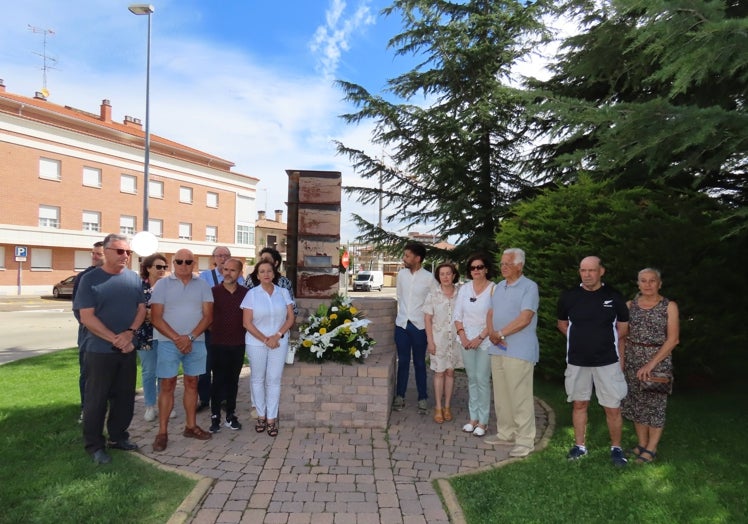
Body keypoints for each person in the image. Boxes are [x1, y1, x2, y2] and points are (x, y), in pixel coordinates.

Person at [74, 233, 145, 464]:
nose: (125, 256)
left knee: (124, 397)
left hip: (127, 348)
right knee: (97, 399)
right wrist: (115, 338)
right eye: (120, 251)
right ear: (105, 252)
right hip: (99, 350)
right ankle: (94, 445)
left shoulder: (133, 279)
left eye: (128, 252)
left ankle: (118, 437)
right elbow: (87, 317)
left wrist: (130, 333)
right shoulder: (89, 279)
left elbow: (141, 309)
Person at [557, 256, 630, 467]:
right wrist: (581, 341)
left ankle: (616, 448)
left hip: (607, 361)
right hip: (577, 362)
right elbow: (562, 325)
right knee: (579, 404)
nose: (587, 274)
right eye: (583, 270)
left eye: (591, 270)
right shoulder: (569, 297)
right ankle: (580, 446)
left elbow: (622, 330)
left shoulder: (614, 297)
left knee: (613, 407)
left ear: (601, 271)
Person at [150, 249, 214, 452]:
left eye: (188, 262)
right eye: (179, 261)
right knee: (167, 384)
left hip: (196, 341)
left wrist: (191, 337)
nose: (184, 265)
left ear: (194, 264)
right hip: (169, 342)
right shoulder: (162, 284)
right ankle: (162, 432)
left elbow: (208, 316)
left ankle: (191, 426)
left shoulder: (203, 285)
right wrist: (178, 338)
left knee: (192, 383)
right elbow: (156, 317)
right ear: (173, 263)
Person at [621, 268, 679, 463]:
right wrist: (622, 360)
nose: (647, 284)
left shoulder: (669, 306)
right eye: (643, 281)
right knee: (637, 404)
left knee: (655, 406)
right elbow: (622, 335)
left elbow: (673, 340)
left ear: (659, 283)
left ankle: (651, 449)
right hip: (632, 360)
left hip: (658, 360)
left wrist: (650, 365)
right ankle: (642, 444)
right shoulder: (630, 305)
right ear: (638, 284)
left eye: (652, 281)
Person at [485, 248, 539, 457]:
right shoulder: (499, 286)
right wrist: (491, 332)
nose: (503, 267)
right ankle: (506, 433)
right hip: (497, 348)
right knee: (501, 395)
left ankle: (525, 441)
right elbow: (490, 312)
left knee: (520, 396)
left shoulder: (529, 287)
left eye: (508, 263)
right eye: (502, 263)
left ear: (520, 265)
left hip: (519, 350)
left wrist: (500, 333)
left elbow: (525, 318)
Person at [241, 260, 295, 437]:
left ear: (274, 273)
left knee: (273, 379)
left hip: (279, 342)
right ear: (257, 275)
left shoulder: (283, 292)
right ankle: (261, 416)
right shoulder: (251, 294)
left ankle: (271, 419)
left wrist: (277, 336)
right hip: (256, 343)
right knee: (257, 379)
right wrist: (265, 339)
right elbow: (247, 323)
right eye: (262, 271)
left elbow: (290, 319)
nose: (266, 274)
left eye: (269, 271)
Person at [197, 246, 244, 412]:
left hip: (232, 334)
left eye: (226, 255)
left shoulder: (240, 280)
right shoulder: (204, 277)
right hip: (211, 332)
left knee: (227, 369)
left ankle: (224, 400)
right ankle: (204, 398)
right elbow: (201, 305)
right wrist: (209, 326)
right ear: (214, 259)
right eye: (220, 255)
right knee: (206, 367)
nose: (223, 258)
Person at [454, 253, 495, 437]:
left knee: (482, 379)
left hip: (484, 339)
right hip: (466, 339)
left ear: (486, 269)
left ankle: (483, 421)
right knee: (472, 379)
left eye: (480, 267)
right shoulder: (464, 289)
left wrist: (480, 337)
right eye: (473, 268)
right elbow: (457, 316)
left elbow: (494, 317)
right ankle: (473, 418)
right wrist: (463, 336)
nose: (476, 270)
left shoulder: (494, 289)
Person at [392, 242, 435, 414]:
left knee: (419, 363)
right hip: (402, 325)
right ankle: (399, 396)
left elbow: (433, 302)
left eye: (408, 256)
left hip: (419, 327)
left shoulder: (429, 278)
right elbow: (399, 295)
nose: (404, 258)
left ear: (417, 258)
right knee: (402, 362)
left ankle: (422, 397)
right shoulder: (401, 275)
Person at [208, 257, 249, 433]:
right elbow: (207, 317)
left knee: (233, 381)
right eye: (225, 269)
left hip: (238, 344)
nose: (228, 273)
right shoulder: (213, 292)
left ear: (239, 273)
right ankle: (215, 416)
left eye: (233, 270)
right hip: (218, 343)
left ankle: (230, 415)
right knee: (217, 380)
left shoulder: (246, 293)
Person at [424, 262, 461, 424]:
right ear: (438, 277)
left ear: (453, 275)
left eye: (448, 273)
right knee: (439, 372)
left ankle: (447, 406)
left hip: (455, 340)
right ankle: (438, 407)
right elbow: (427, 319)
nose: (445, 277)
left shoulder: (461, 294)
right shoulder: (433, 295)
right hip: (438, 340)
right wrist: (430, 341)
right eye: (442, 274)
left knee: (450, 372)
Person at [72, 240, 105, 422]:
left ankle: (105, 407)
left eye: (98, 254)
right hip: (88, 335)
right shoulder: (84, 277)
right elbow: (78, 310)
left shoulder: (115, 276)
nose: (94, 256)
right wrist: (94, 327)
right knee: (87, 373)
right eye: (93, 253)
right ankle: (86, 410)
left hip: (111, 336)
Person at [135, 253, 168, 422]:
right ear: (148, 268)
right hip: (145, 335)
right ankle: (150, 406)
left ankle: (164, 404)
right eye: (158, 267)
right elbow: (136, 309)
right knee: (149, 371)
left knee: (165, 371)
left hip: (166, 336)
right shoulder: (139, 287)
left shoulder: (170, 287)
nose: (162, 270)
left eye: (164, 267)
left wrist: (153, 313)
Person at [245, 246, 298, 316]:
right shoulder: (251, 279)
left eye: (267, 260)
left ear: (276, 263)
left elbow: (293, 311)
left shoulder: (284, 282)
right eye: (262, 259)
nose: (263, 262)